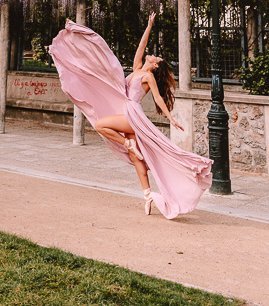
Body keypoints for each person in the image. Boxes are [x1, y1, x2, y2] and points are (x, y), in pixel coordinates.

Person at [49, 12, 212, 219]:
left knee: (100, 125)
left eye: (156, 58)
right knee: (138, 160)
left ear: (154, 66)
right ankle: (147, 196)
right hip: (126, 111)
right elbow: (141, 47)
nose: (153, 55)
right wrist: (149, 25)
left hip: (132, 113)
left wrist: (170, 118)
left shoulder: (148, 76)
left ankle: (128, 145)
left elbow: (158, 99)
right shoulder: (137, 69)